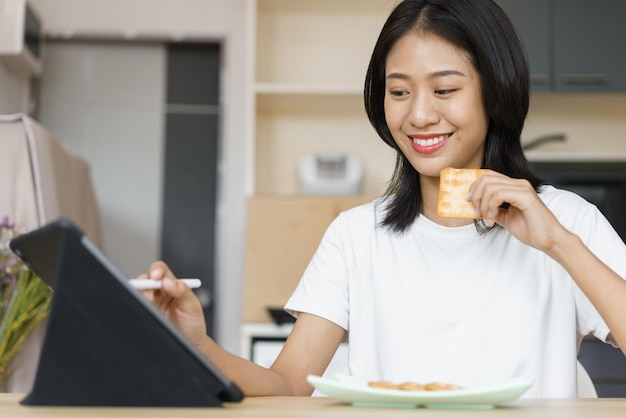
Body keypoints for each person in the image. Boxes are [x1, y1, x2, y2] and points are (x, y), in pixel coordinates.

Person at [143, 0, 626, 398]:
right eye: (399, 91)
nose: (419, 115)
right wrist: (198, 344)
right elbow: (287, 385)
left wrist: (558, 243)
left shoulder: (566, 221)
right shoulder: (356, 235)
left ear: (495, 94)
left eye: (444, 89)